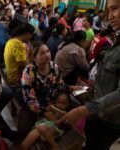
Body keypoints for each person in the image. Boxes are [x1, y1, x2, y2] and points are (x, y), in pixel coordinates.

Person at [56, 0, 120, 149]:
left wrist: (81, 110)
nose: (110, 16)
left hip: (109, 119)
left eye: (115, 9)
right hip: (98, 112)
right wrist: (86, 91)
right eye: (109, 10)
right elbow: (107, 81)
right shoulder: (113, 41)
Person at [18, 41, 81, 142]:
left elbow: (59, 84)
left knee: (71, 112)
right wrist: (45, 112)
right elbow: (30, 100)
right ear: (34, 58)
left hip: (50, 100)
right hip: (34, 104)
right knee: (22, 132)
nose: (47, 55)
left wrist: (69, 87)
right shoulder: (28, 72)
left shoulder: (53, 67)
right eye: (41, 53)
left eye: (47, 51)